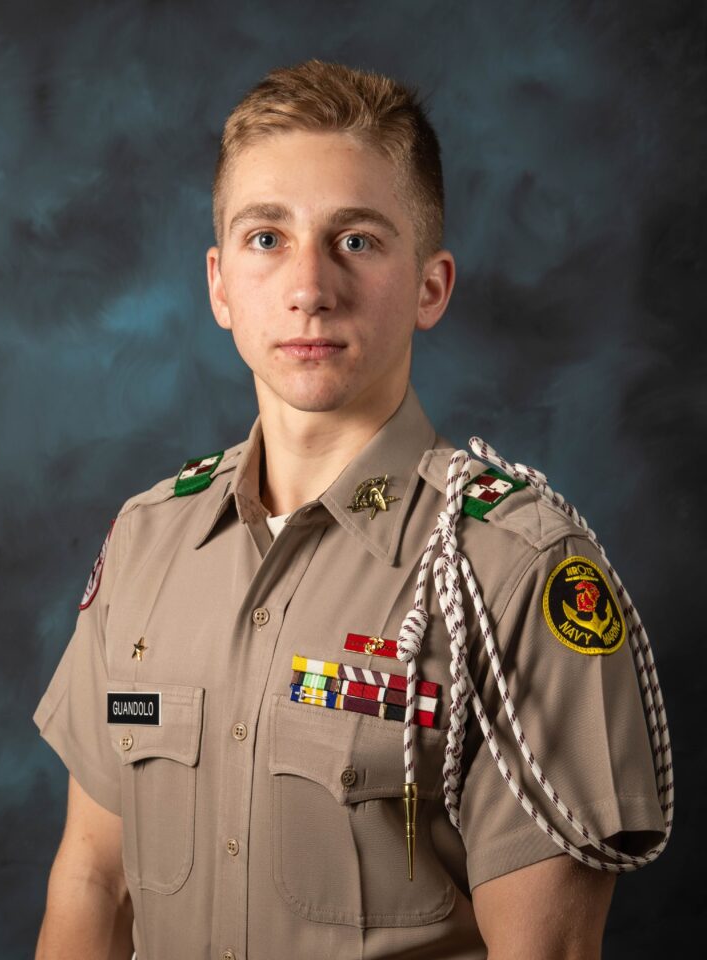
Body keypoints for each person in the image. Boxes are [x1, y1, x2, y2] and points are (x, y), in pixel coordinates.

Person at [33, 61, 671, 960]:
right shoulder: (148, 542)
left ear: (431, 287)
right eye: (266, 238)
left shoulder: (518, 574)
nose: (309, 287)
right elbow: (92, 883)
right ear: (219, 285)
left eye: (358, 240)